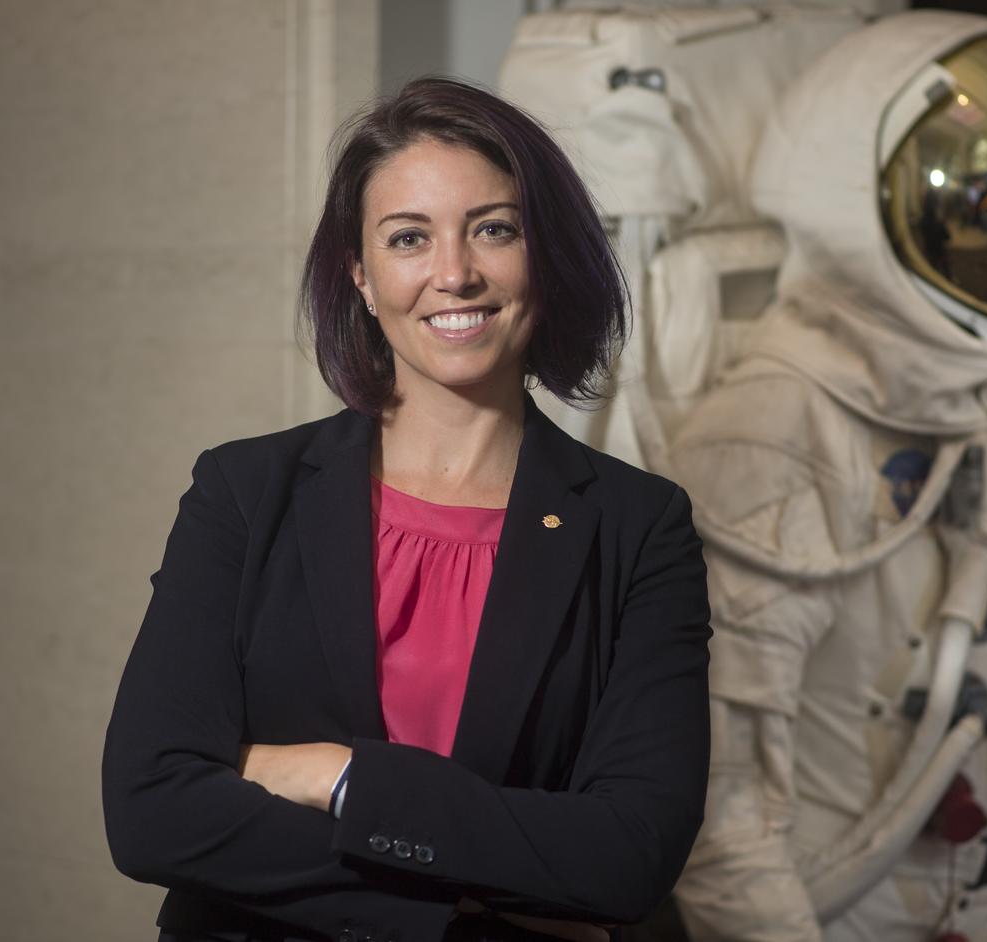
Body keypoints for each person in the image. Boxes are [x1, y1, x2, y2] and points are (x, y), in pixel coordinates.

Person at [102, 77, 712, 942]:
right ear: (360, 271)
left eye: (494, 229)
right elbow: (150, 809)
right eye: (408, 238)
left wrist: (338, 778)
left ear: (546, 252)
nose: (454, 273)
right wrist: (469, 901)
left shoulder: (639, 527)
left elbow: (629, 855)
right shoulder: (242, 492)